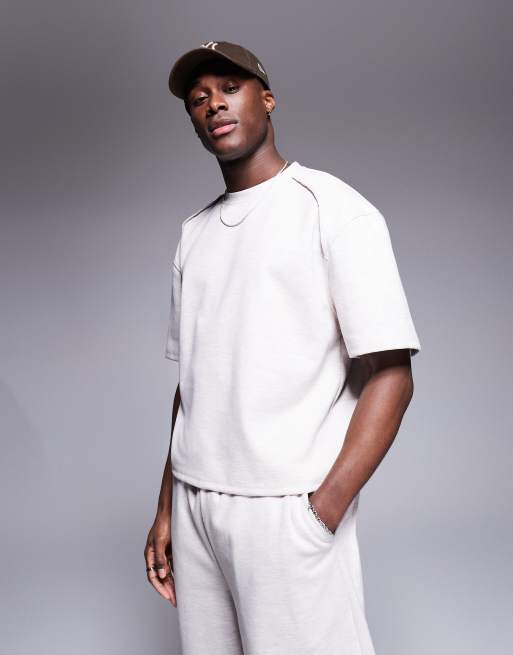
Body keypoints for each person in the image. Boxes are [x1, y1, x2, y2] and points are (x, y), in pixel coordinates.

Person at [144, 40, 421, 655]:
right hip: (194, 505)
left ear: (267, 99)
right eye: (198, 99)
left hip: (284, 507)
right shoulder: (193, 234)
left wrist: (324, 510)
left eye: (230, 88)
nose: (214, 104)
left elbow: (392, 373)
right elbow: (193, 384)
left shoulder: (334, 210)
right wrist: (166, 508)